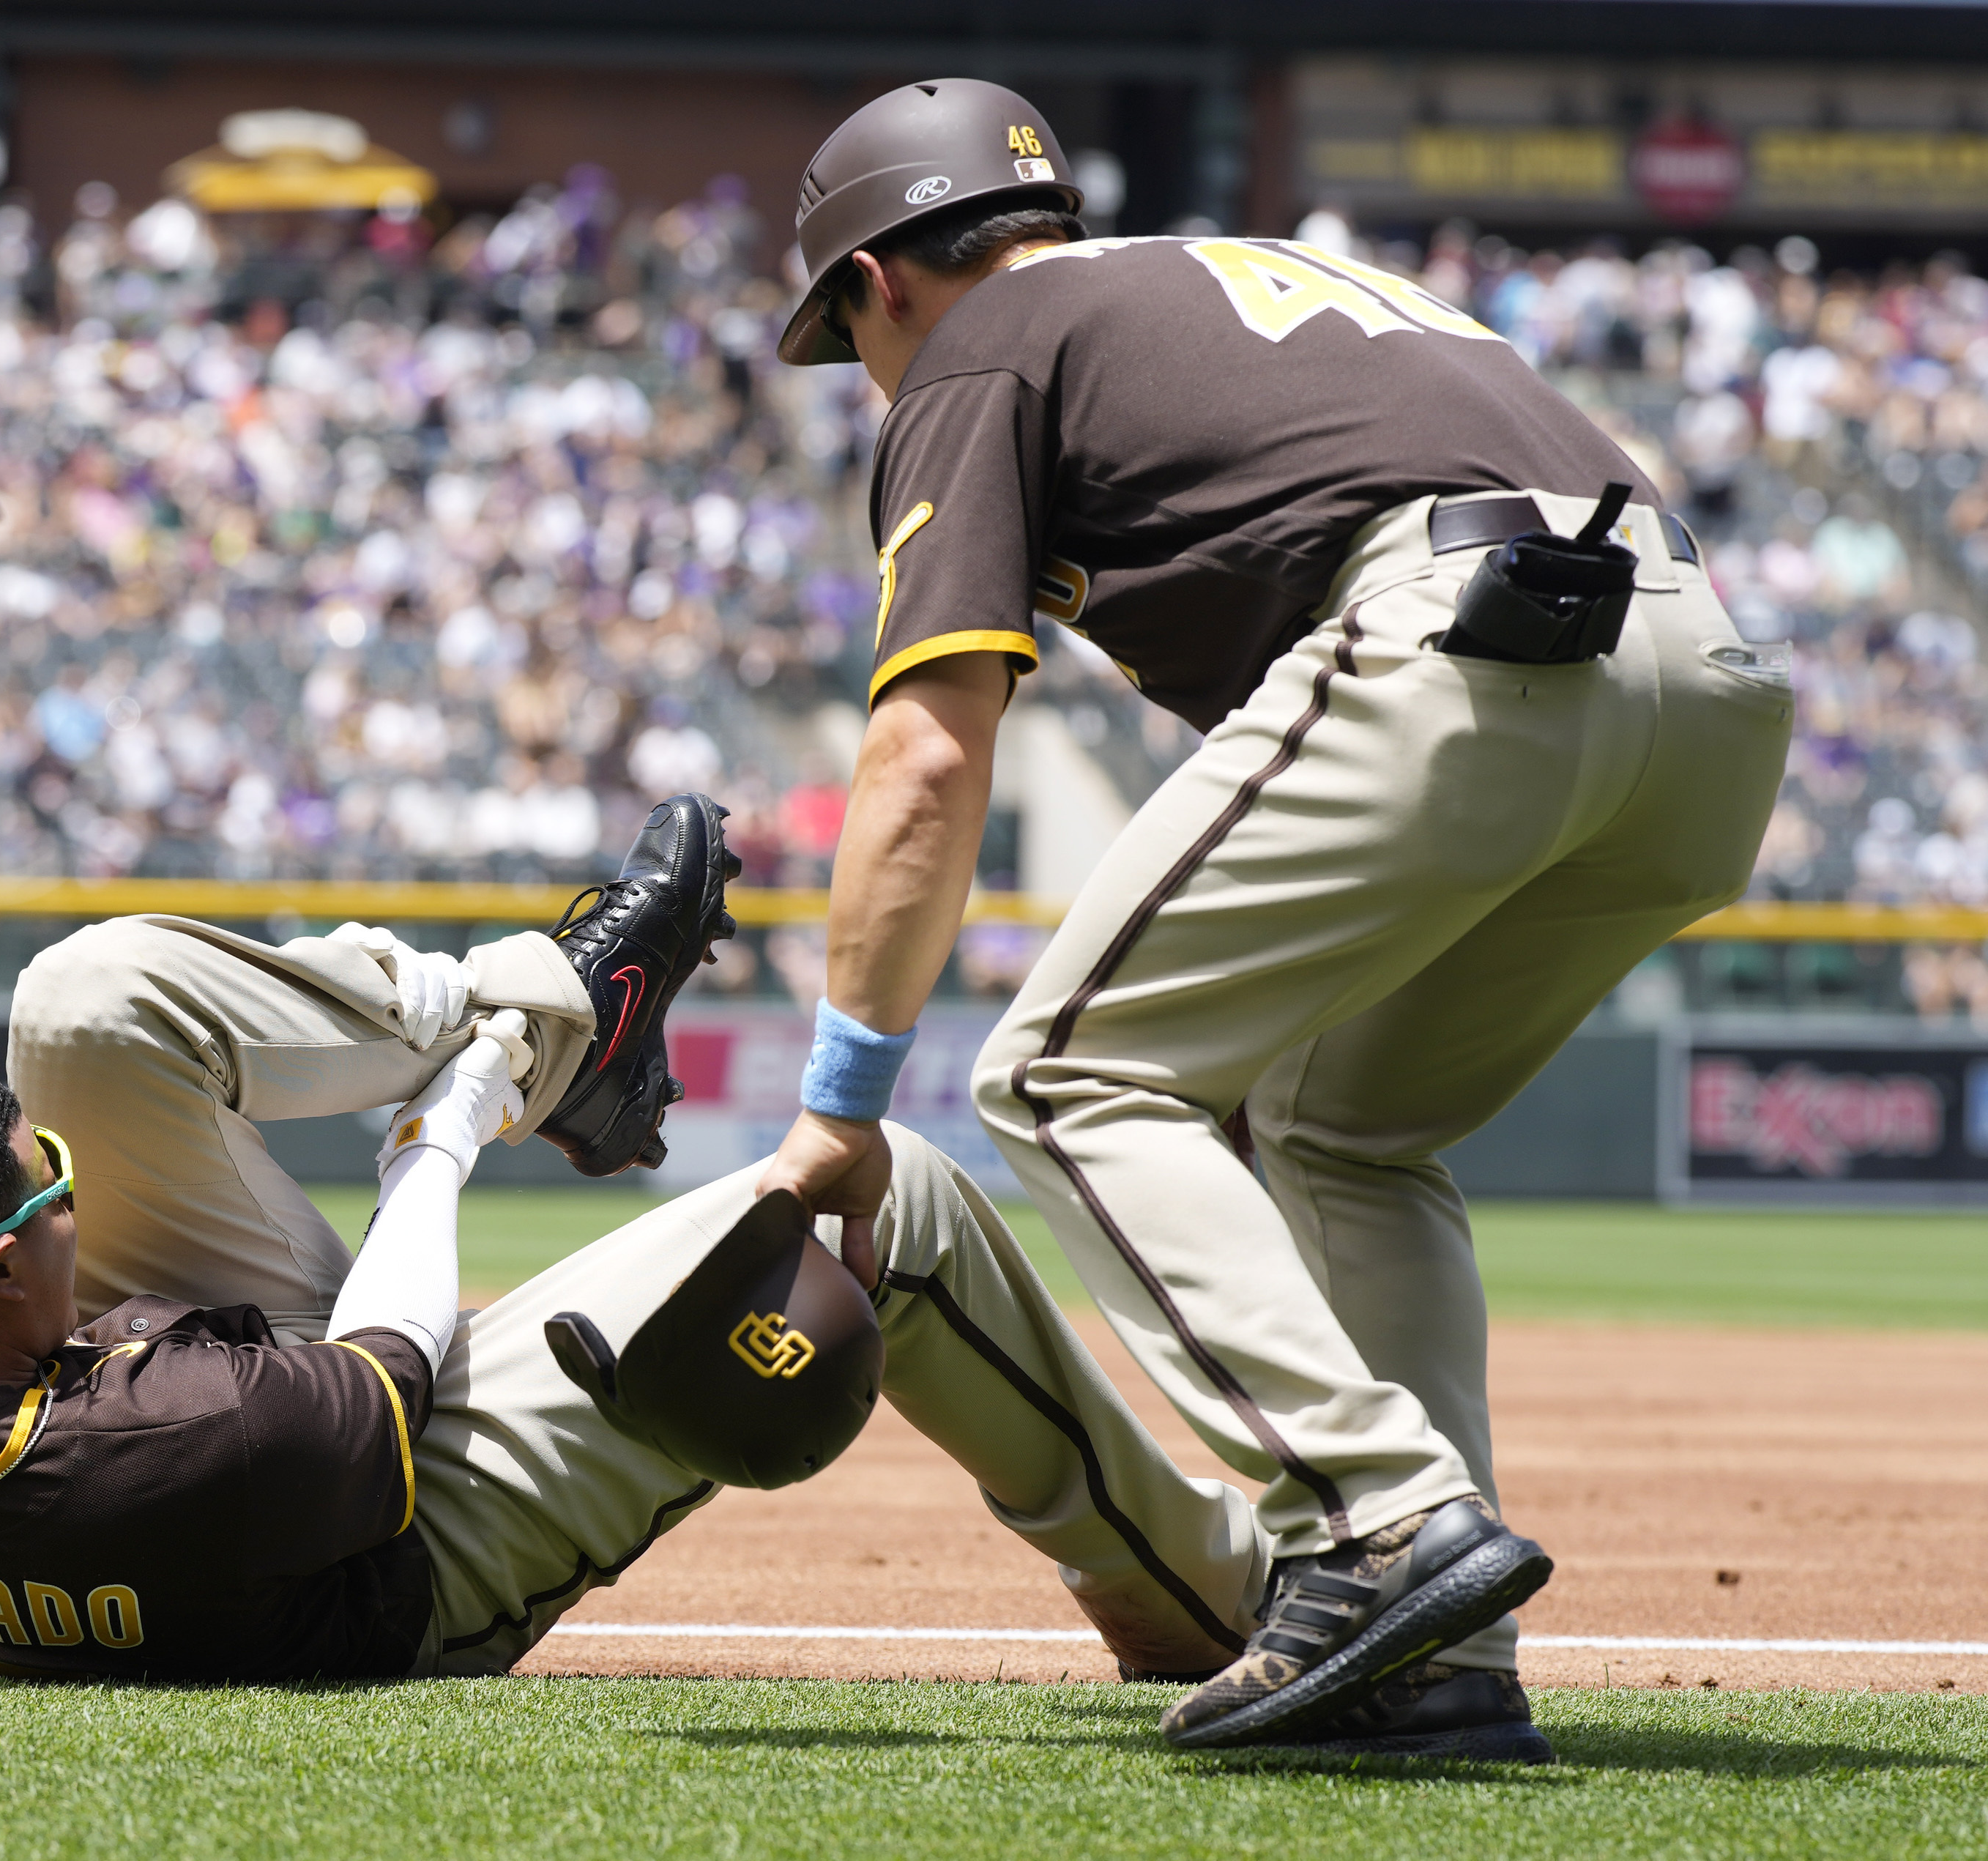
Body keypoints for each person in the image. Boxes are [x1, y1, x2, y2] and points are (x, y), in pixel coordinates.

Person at [755, 80, 1790, 1758]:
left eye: (842, 332)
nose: (860, 371)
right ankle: (1439, 1658)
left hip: (1463, 633)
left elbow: (926, 754)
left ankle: (1379, 1524)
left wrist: (841, 1106)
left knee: (1065, 1074)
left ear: (881, 275)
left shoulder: (980, 341)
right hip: (1708, 694)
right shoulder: (1216, 295)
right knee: (1341, 1126)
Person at [0, 796, 1273, 1690]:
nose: (74, 1179)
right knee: (909, 1197)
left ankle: (543, 1015)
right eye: (53, 1179)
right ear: (6, 1266)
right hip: (391, 1529)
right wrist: (451, 1129)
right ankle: (1186, 1579)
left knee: (81, 1002)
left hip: (166, 1404)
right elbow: (382, 1360)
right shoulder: (198, 1431)